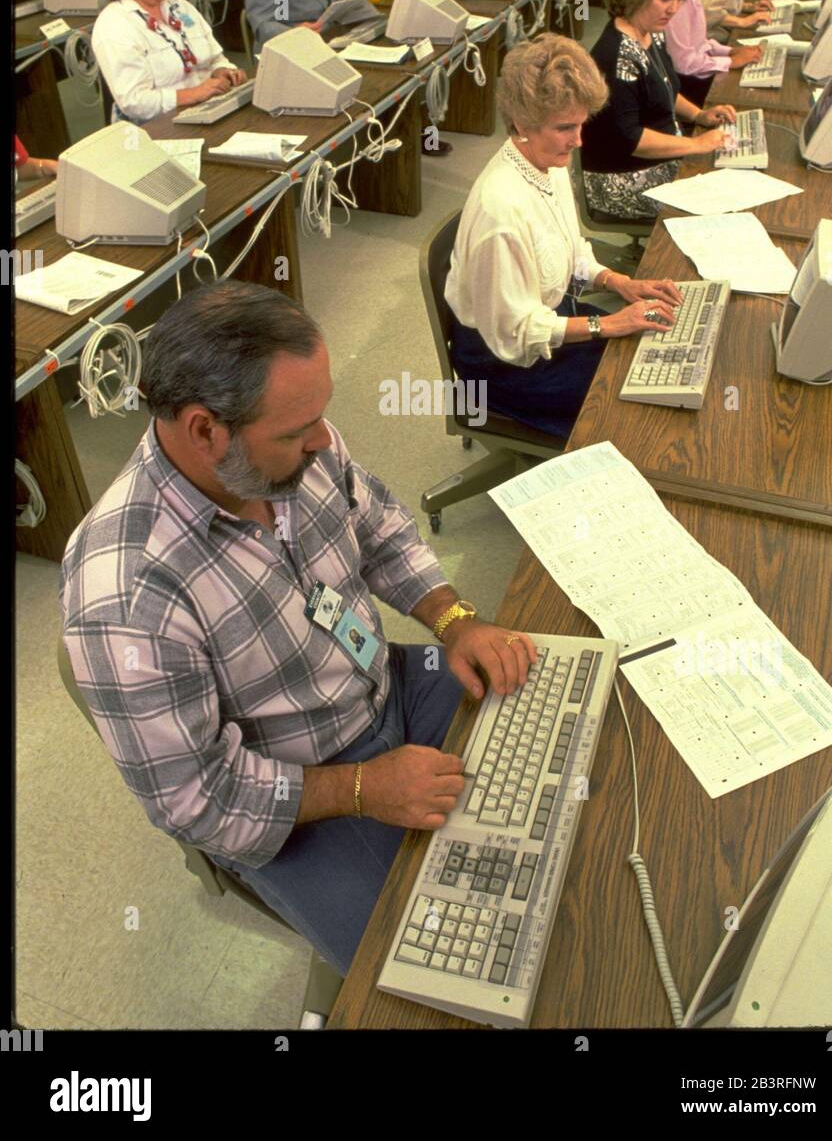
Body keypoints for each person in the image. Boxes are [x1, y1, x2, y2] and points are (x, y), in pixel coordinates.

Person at [59, 280, 536, 977]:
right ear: (203, 429)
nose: (324, 440)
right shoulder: (126, 597)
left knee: (552, 709)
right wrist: (364, 789)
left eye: (321, 416)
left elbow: (378, 529)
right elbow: (197, 800)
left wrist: (454, 619)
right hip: (298, 792)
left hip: (384, 686)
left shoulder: (300, 447)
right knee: (451, 963)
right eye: (294, 431)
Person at [444, 33, 686, 441]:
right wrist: (607, 324)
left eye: (580, 124)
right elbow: (516, 336)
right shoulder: (501, 211)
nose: (578, 141)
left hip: (545, 320)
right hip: (504, 365)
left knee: (652, 352)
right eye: (565, 128)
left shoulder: (547, 163)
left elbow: (572, 254)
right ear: (521, 123)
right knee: (641, 396)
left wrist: (620, 282)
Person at [580, 0, 737, 224]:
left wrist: (699, 114)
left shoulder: (651, 32)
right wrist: (696, 145)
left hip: (654, 161)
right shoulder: (617, 56)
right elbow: (632, 139)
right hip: (621, 181)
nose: (674, 9)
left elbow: (664, 89)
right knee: (724, 208)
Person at [91, 0, 246, 124]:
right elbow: (134, 101)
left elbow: (216, 58)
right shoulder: (114, 24)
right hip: (156, 126)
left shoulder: (181, 7)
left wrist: (222, 70)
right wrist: (191, 94)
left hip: (208, 109)